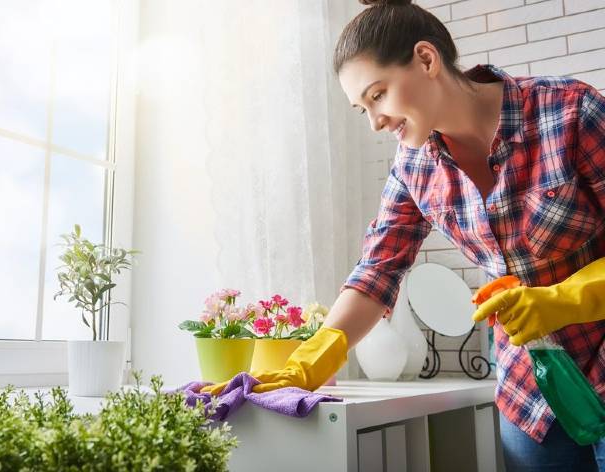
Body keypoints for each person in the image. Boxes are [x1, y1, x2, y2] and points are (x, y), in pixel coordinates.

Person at [201, 0, 605, 469]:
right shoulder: (413, 167)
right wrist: (309, 362)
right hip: (531, 393)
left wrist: (564, 299)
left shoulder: (570, 111)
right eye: (362, 109)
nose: (375, 122)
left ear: (426, 60)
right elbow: (378, 270)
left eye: (378, 95)